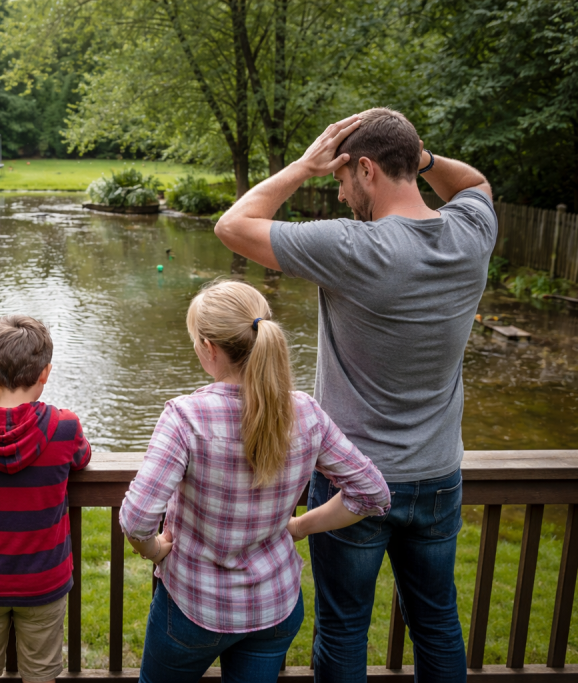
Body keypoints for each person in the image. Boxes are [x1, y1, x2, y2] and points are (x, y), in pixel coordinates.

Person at [213, 108, 498, 682]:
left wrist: (300, 167)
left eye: (342, 180)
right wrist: (422, 158)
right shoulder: (472, 234)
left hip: (352, 479)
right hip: (439, 476)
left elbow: (233, 226)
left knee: (344, 628)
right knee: (438, 622)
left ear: (365, 169)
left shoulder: (355, 248)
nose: (341, 196)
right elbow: (474, 184)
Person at [120, 280, 391, 683]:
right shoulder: (305, 412)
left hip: (195, 607)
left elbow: (137, 518)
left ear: (209, 349)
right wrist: (299, 526)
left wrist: (155, 550)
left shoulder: (186, 417)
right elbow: (372, 493)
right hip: (273, 607)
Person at [0, 315, 91, 683]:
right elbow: (82, 458)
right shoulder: (65, 426)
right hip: (44, 580)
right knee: (41, 675)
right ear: (46, 372)